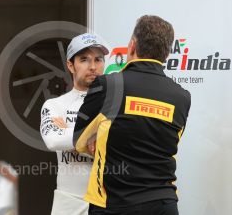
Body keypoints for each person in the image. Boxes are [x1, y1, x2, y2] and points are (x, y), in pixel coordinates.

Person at [73, 15, 191, 215]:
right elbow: (166, 142)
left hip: (115, 204)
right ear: (167, 54)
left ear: (132, 46)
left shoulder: (107, 86)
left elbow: (79, 141)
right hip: (164, 204)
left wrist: (100, 138)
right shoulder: (182, 97)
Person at [40, 33, 109, 215]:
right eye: (84, 59)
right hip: (68, 203)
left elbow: (119, 148)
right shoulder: (54, 105)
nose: (93, 67)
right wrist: (94, 138)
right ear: (71, 65)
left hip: (107, 202)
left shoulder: (115, 105)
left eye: (98, 59)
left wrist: (71, 136)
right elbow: (53, 141)